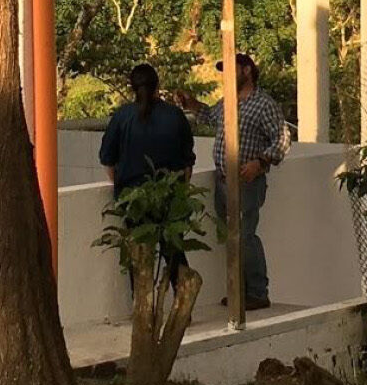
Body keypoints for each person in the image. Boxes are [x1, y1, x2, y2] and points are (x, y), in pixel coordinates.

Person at [208, 51, 291, 311]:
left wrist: (261, 162)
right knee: (231, 237)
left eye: (231, 70)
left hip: (246, 182)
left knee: (245, 236)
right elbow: (209, 117)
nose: (226, 77)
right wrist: (191, 104)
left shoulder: (263, 104)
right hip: (223, 181)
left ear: (246, 71)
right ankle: (238, 290)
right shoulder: (228, 103)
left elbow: (282, 138)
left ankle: (257, 292)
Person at [99, 63, 195, 197]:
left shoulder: (122, 116)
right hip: (170, 201)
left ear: (133, 88)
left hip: (133, 203)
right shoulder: (175, 115)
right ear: (157, 85)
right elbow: (187, 163)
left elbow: (107, 158)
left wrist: (123, 189)